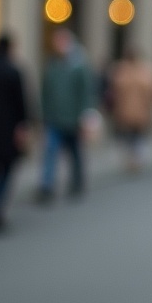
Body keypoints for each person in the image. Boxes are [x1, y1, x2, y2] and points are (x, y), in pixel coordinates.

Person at [38, 27, 95, 201]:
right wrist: (43, 114)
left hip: (73, 119)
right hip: (54, 118)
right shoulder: (52, 65)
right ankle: (46, 186)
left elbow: (86, 93)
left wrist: (85, 116)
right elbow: (45, 92)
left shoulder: (79, 66)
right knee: (50, 151)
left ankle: (77, 181)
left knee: (75, 152)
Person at [0, 34, 30, 229]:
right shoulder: (13, 72)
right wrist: (23, 126)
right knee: (5, 172)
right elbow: (21, 104)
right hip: (6, 132)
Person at [108, 46, 152, 171]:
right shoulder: (144, 71)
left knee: (132, 135)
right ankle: (136, 158)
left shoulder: (121, 71)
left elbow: (114, 91)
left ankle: (133, 158)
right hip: (136, 111)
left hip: (128, 111)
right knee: (135, 135)